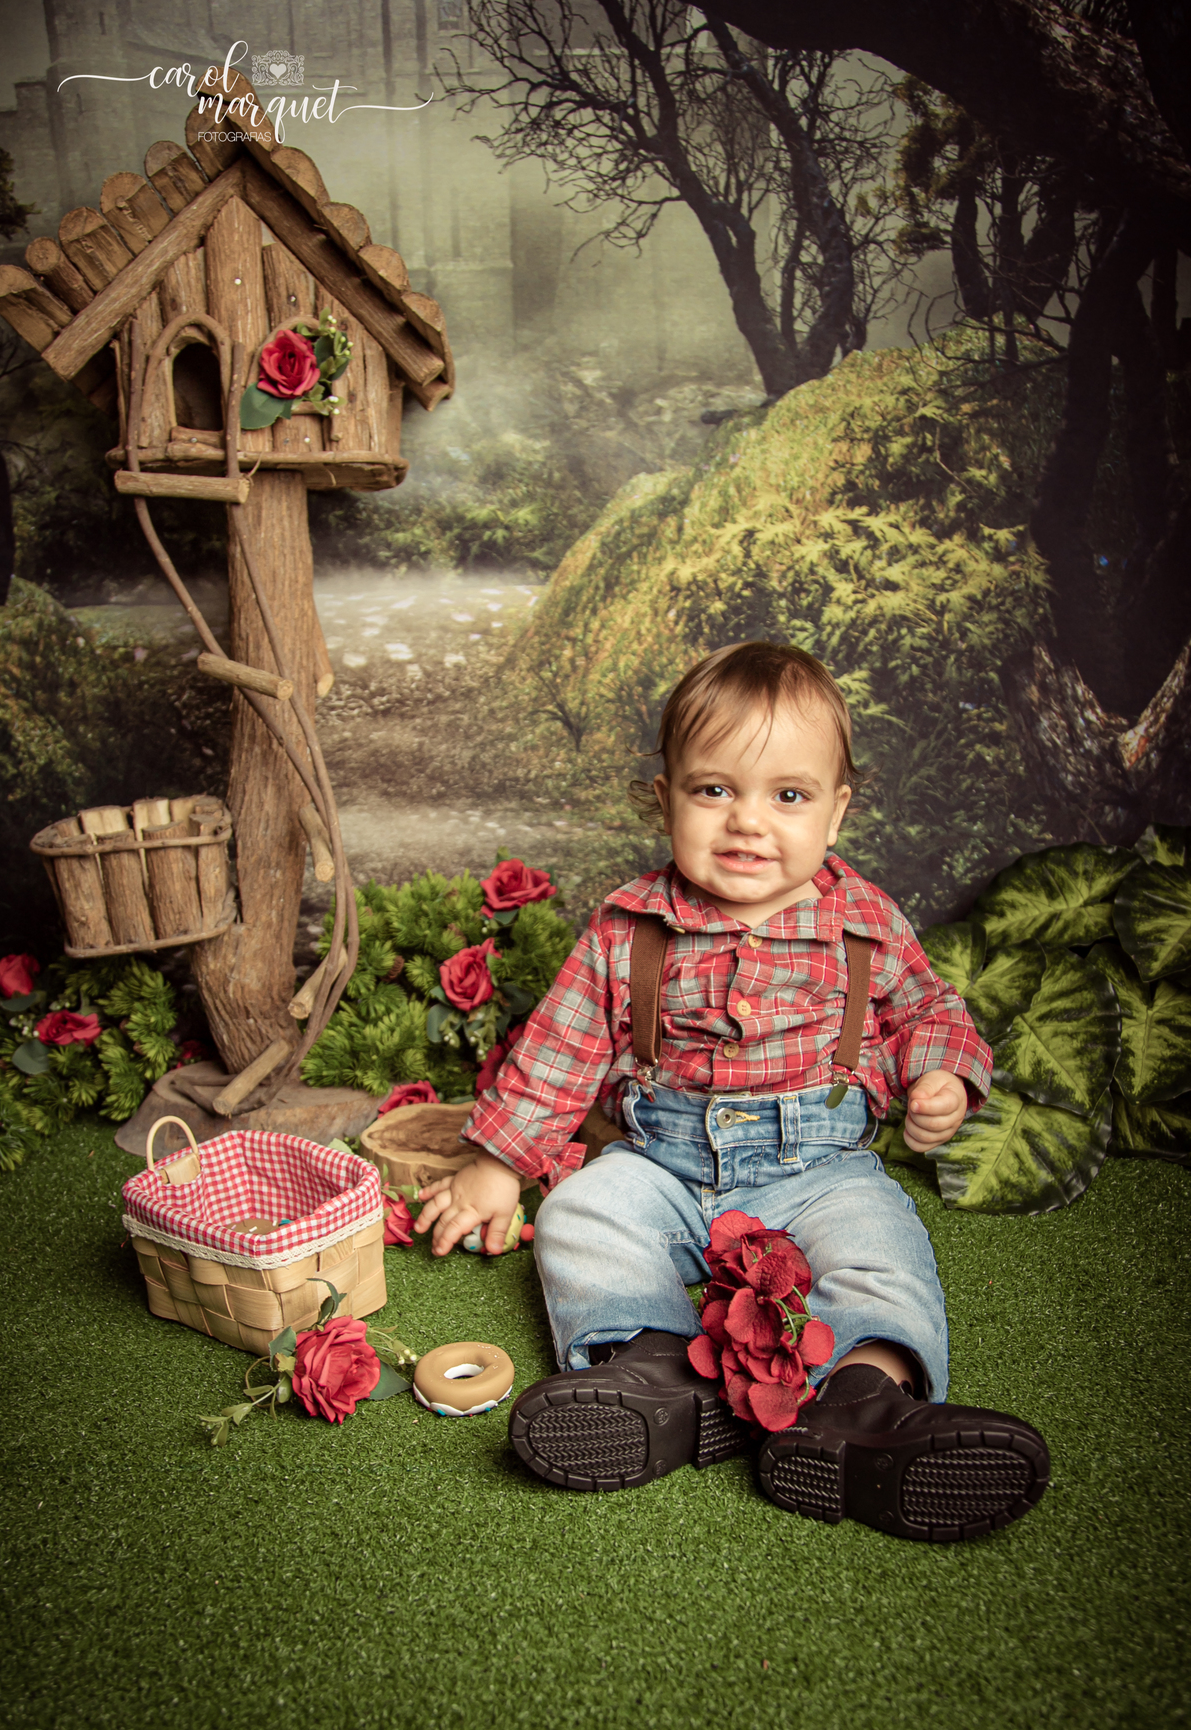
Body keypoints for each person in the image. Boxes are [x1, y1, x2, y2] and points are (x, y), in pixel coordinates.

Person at [416, 641, 1049, 1540]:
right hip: (660, 1161)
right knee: (583, 1213)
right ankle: (658, 1370)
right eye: (714, 790)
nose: (748, 822)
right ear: (665, 795)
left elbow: (927, 1009)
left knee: (883, 1247)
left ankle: (860, 1406)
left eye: (788, 796)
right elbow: (560, 1046)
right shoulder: (630, 925)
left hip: (820, 1167)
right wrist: (497, 1164)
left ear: (837, 811)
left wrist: (940, 1072)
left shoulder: (862, 921)